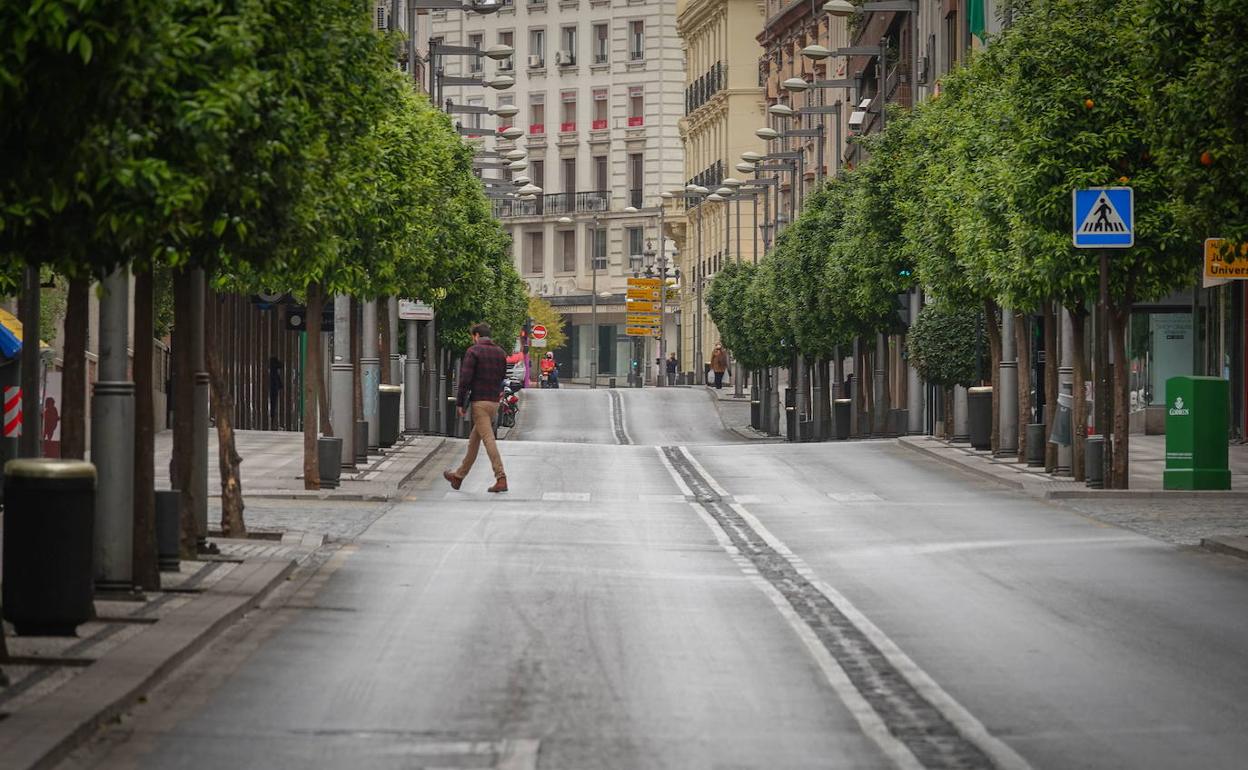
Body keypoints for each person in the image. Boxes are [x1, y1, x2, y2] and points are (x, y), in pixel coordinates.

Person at [444, 323, 509, 493]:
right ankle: (458, 476)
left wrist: (460, 403)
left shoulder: (473, 351)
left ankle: (501, 477)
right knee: (474, 441)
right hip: (494, 403)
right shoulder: (500, 352)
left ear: (477, 335)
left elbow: (465, 379)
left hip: (479, 402)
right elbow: (503, 376)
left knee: (488, 439)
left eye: (473, 336)